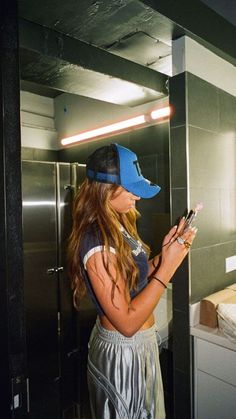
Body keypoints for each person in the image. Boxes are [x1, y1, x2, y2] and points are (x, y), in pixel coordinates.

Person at [68, 143, 197, 419]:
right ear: (104, 190)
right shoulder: (97, 242)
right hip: (122, 353)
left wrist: (165, 255)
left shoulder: (118, 223)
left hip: (141, 345)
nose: (137, 197)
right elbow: (126, 323)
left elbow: (134, 276)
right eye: (130, 189)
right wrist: (169, 268)